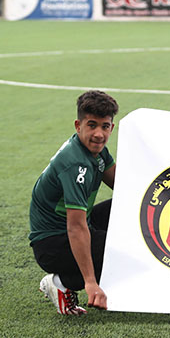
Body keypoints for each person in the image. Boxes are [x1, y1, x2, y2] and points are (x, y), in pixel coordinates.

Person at [30, 90, 119, 315]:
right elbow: (75, 227)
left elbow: (123, 186)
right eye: (92, 125)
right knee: (118, 249)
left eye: (105, 126)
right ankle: (62, 283)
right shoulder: (75, 164)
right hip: (52, 243)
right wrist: (89, 282)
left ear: (112, 127)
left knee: (127, 209)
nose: (99, 134)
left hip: (77, 225)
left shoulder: (98, 152)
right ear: (78, 125)